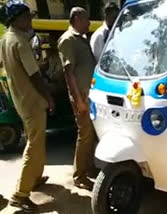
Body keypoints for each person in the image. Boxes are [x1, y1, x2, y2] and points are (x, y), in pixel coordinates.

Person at [0, 1, 55, 212]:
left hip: (21, 100)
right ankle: (20, 194)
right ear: (17, 19)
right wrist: (49, 97)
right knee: (33, 145)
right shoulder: (21, 42)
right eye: (27, 17)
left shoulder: (6, 38)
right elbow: (34, 76)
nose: (30, 20)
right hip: (32, 101)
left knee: (38, 141)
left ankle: (35, 178)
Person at [58, 7, 97, 190]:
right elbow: (68, 73)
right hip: (81, 97)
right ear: (77, 18)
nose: (89, 23)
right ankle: (79, 175)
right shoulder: (67, 40)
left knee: (91, 135)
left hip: (89, 95)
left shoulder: (81, 39)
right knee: (85, 135)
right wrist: (78, 101)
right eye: (86, 19)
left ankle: (88, 169)